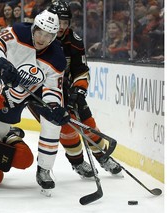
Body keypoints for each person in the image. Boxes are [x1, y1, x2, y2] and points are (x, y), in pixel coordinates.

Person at [0, 9, 70, 192]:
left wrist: (54, 106)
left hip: (39, 90)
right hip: (14, 88)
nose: (42, 39)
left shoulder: (57, 58)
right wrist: (2, 63)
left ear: (54, 36)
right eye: (40, 32)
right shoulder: (18, 32)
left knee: (53, 123)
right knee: (0, 127)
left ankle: (44, 169)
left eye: (48, 35)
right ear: (34, 28)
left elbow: (53, 88)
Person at [34, 1, 121, 177]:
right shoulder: (37, 38)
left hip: (66, 89)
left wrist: (79, 90)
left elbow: (81, 70)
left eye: (65, 22)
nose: (62, 26)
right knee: (66, 128)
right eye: (59, 22)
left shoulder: (74, 40)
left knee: (88, 122)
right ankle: (78, 162)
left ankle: (102, 156)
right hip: (41, 93)